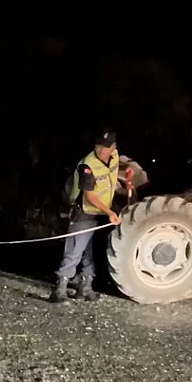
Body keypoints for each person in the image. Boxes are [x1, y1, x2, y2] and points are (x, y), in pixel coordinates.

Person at [52, 129, 131, 303]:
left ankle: (85, 287)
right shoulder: (87, 165)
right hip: (84, 212)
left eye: (106, 147)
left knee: (89, 251)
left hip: (99, 213)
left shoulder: (115, 156)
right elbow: (90, 196)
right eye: (98, 146)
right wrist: (110, 212)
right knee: (74, 250)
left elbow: (116, 175)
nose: (101, 150)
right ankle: (60, 289)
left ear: (114, 147)